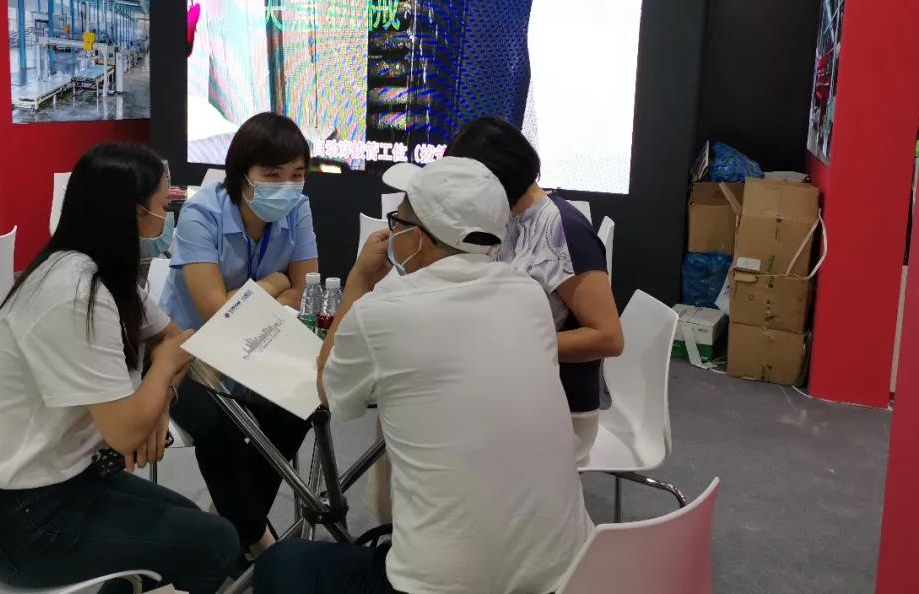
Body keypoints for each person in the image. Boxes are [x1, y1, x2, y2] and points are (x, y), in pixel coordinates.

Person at [255, 157, 592, 594]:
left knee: (282, 564)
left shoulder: (382, 312)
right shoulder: (528, 295)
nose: (393, 230)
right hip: (567, 575)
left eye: (399, 221)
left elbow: (330, 391)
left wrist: (359, 281)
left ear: (419, 238)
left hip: (439, 585)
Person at [0, 143, 239, 594]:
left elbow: (171, 337)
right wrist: (163, 372)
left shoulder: (102, 273)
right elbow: (127, 430)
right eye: (164, 207)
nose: (168, 219)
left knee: (195, 525)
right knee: (213, 544)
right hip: (22, 521)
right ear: (134, 212)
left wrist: (160, 400)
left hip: (71, 479)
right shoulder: (74, 292)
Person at [161, 112, 318, 562]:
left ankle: (233, 521)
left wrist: (255, 299)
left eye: (297, 175)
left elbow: (306, 290)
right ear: (242, 173)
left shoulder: (298, 209)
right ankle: (256, 538)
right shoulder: (202, 212)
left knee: (302, 404)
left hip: (259, 345)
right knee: (218, 426)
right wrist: (274, 283)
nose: (287, 186)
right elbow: (214, 312)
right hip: (186, 351)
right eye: (273, 174)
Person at [446, 116, 624, 463]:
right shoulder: (511, 218)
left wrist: (515, 344)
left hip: (559, 410)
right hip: (517, 388)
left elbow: (608, 338)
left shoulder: (563, 229)